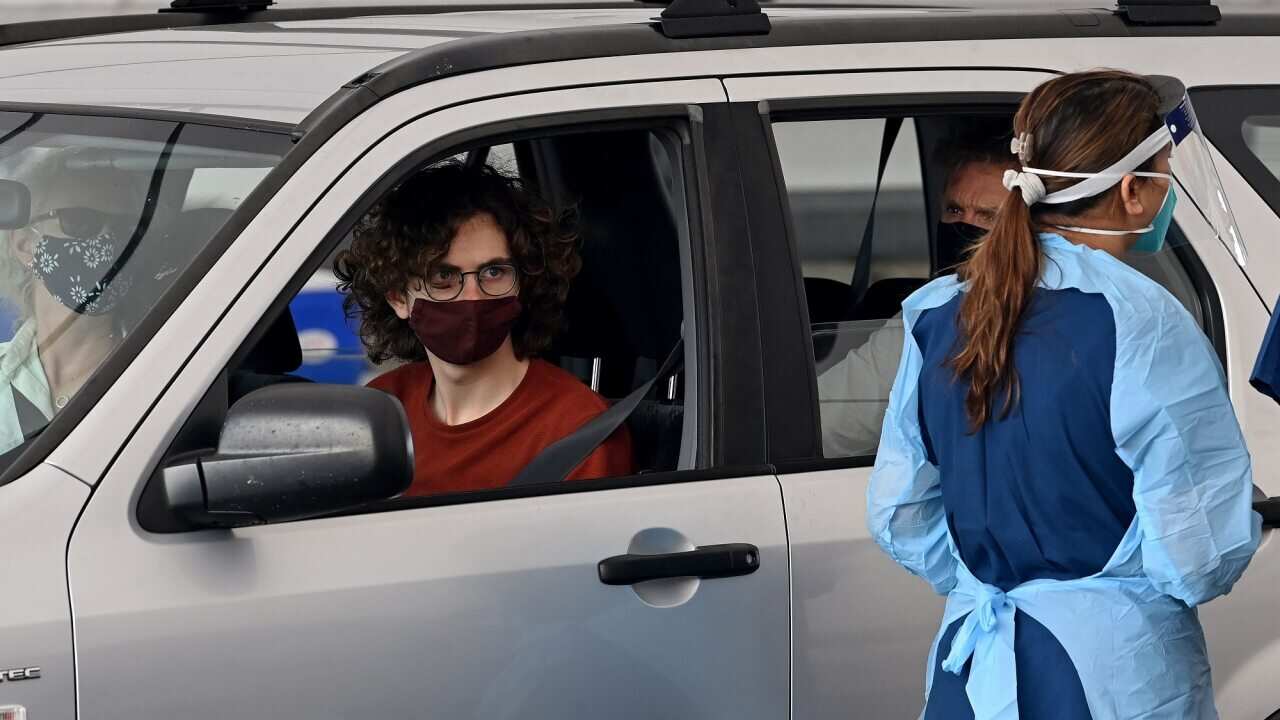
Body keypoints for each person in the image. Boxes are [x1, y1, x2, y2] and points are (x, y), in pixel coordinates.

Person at [868, 70, 1261, 719]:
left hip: (970, 674)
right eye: (1166, 171)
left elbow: (898, 511)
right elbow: (1200, 555)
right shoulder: (1145, 322)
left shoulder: (936, 311)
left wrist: (993, 577)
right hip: (1107, 677)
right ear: (1135, 191)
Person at [335, 161, 633, 497]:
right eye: (443, 278)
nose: (473, 297)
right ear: (397, 298)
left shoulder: (577, 428)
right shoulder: (382, 411)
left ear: (523, 283)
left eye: (493, 273)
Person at [819, 130, 1016, 457]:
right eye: (954, 211)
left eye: (987, 216)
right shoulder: (931, 314)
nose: (963, 227)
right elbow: (832, 421)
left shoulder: (1070, 314)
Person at [0, 150, 149, 454]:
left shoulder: (164, 372)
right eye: (80, 221)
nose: (107, 241)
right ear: (24, 245)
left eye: (123, 229)